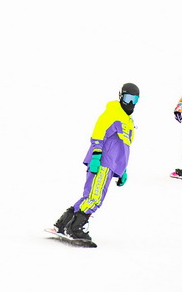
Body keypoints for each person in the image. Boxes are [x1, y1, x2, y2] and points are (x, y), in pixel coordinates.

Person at [51, 83, 140, 245]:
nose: (131, 103)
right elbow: (98, 133)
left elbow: (123, 148)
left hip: (111, 165)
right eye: (128, 98)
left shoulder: (128, 120)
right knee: (95, 198)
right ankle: (76, 228)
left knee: (89, 196)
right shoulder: (114, 113)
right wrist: (96, 156)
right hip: (103, 163)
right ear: (121, 97)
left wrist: (122, 170)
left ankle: (63, 224)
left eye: (135, 100)